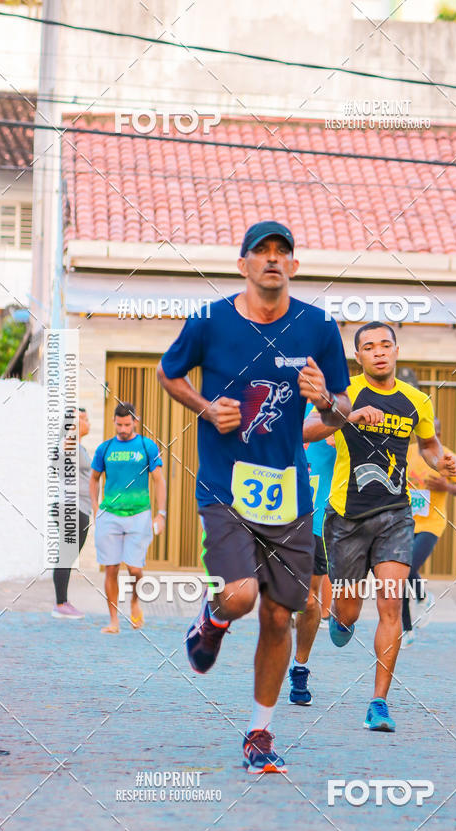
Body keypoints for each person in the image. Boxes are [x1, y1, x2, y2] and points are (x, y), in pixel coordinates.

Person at [157, 220, 350, 774]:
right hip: (225, 484)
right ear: (242, 264)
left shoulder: (317, 327)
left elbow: (335, 412)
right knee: (241, 597)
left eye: (280, 252)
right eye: (259, 251)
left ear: (293, 265)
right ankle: (212, 621)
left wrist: (326, 402)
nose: (271, 259)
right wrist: (202, 407)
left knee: (279, 616)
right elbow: (169, 373)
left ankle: (260, 732)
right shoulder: (210, 321)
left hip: (289, 493)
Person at [304, 322, 456, 733]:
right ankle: (340, 617)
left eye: (385, 345)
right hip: (346, 517)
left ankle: (378, 703)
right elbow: (303, 432)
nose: (378, 352)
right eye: (368, 347)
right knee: (350, 610)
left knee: (390, 604)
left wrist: (442, 459)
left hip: (394, 514)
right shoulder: (344, 393)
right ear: (358, 356)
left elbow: (427, 443)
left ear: (395, 350)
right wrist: (347, 416)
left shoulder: (417, 400)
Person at [89, 402, 167, 634]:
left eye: (127, 424)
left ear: (135, 421)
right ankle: (114, 620)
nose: (123, 428)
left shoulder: (146, 446)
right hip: (109, 515)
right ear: (113, 421)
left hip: (139, 515)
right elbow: (93, 479)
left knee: (135, 569)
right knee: (111, 569)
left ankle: (134, 601)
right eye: (119, 424)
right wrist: (96, 508)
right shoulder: (105, 449)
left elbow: (159, 481)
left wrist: (161, 514)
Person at [287, 406, 336, 705]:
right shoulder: (275, 404)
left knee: (308, 599)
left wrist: (340, 434)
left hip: (315, 518)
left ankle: (299, 666)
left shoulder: (336, 409)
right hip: (275, 513)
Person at [402, 418, 456, 643]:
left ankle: (422, 597)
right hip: (405, 522)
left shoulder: (447, 458)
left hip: (431, 523)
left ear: (440, 434)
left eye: (434, 434)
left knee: (407, 568)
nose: (429, 437)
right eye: (424, 433)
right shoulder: (406, 453)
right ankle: (405, 629)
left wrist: (446, 486)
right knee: (398, 573)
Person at [51, 407, 91, 619]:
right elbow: (62, 450)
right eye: (81, 419)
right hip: (70, 507)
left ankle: (63, 601)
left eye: (86, 418)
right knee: (66, 556)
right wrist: (73, 429)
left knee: (68, 556)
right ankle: (60, 604)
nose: (87, 422)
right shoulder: (68, 444)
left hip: (79, 508)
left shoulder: (77, 446)